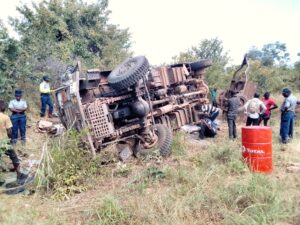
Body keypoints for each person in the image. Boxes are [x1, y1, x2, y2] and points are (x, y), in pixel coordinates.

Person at [0, 100, 28, 185]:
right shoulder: (5, 117)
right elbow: (9, 132)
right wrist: (11, 140)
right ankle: (19, 175)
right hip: (3, 141)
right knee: (14, 157)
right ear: (2, 107)